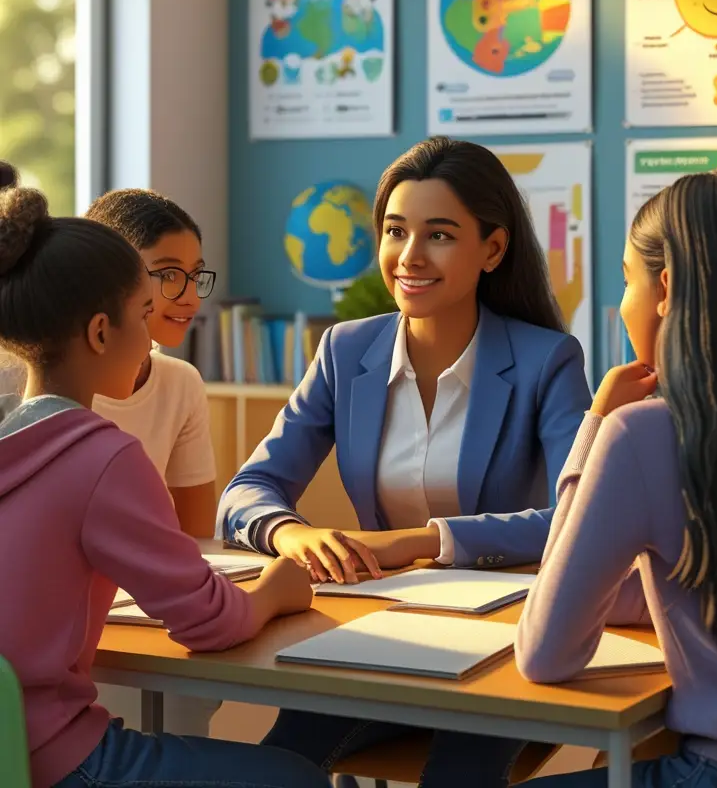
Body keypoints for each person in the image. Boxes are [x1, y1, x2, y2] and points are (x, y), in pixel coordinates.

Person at [218, 136, 593, 787]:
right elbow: (248, 489)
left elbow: (577, 517)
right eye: (396, 231)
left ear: (493, 250)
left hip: (506, 644)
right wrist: (290, 533)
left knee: (459, 774)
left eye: (439, 235)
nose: (410, 256)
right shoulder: (345, 351)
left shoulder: (547, 361)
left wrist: (417, 542)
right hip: (379, 634)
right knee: (279, 762)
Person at [0, 169, 329, 788]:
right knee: (297, 778)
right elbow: (210, 621)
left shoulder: (16, 437)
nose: (156, 335)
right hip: (54, 754)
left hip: (8, 749)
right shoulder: (103, 456)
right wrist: (278, 589)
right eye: (144, 313)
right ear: (102, 332)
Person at [516, 171, 717, 786]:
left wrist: (595, 426)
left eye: (627, 280)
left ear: (665, 287)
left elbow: (545, 652)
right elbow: (687, 586)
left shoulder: (644, 435)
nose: (624, 304)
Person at [85, 189, 222, 737]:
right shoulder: (29, 379)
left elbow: (197, 538)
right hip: (74, 629)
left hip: (150, 611)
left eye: (195, 275)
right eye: (168, 274)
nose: (188, 296)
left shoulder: (181, 382)